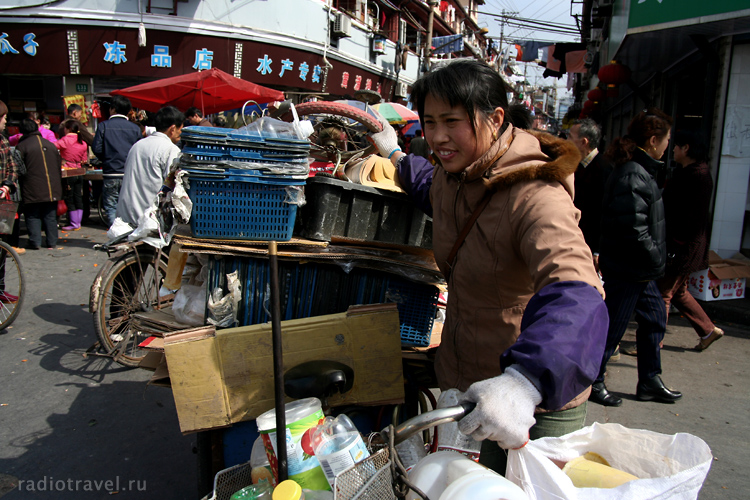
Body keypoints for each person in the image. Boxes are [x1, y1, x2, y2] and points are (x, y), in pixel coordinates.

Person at [370, 59, 608, 474]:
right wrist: (392, 151)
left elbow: (579, 293)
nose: (439, 137)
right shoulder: (455, 175)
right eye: (429, 122)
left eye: (452, 121)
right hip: (470, 381)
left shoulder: (536, 195)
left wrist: (526, 381)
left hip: (531, 398)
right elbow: (429, 186)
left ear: (495, 118)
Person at [589, 108, 682, 407]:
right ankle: (593, 381)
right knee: (614, 327)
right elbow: (634, 229)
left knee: (654, 320)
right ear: (654, 140)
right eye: (667, 139)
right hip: (630, 268)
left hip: (640, 269)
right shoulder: (632, 174)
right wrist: (657, 258)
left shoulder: (639, 171)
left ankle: (650, 380)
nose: (668, 145)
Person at [657, 131, 724, 351]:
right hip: (684, 243)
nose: (672, 149)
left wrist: (677, 242)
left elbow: (691, 217)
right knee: (678, 292)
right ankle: (707, 330)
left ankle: (653, 342)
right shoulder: (691, 172)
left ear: (686, 148)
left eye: (676, 145)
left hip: (683, 245)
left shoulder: (697, 176)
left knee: (664, 293)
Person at [116, 106, 184, 227]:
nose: (180, 135)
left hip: (126, 217)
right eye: (180, 130)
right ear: (172, 129)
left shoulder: (137, 145)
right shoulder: (170, 149)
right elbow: (175, 186)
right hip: (149, 221)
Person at [568, 118, 614, 272]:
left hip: (591, 246)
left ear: (583, 142)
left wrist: (597, 250)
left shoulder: (604, 169)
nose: (566, 141)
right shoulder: (576, 166)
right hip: (576, 239)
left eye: (570, 137)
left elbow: (604, 214)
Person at [13, 118, 63, 250]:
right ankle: (52, 242)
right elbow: (58, 166)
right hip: (52, 187)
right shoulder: (51, 145)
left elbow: (20, 169)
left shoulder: (22, 146)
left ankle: (35, 242)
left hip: (32, 186)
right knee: (50, 215)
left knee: (32, 215)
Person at [92, 96, 142, 226]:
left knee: (111, 206)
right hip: (130, 174)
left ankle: (116, 234)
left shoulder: (104, 126)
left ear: (112, 109)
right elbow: (139, 150)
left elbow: (96, 148)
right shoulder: (135, 128)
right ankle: (126, 235)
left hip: (111, 172)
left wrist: (107, 158)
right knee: (128, 207)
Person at [56, 119, 89, 231]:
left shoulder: (64, 140)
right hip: (79, 171)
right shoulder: (83, 143)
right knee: (78, 197)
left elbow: (53, 146)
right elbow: (84, 160)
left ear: (68, 129)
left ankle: (74, 223)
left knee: (70, 198)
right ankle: (78, 223)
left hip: (68, 172)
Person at [0, 100, 23, 261]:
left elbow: (12, 166)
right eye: (3, 117)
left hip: (2, 198)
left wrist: (7, 185)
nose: (5, 121)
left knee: (2, 245)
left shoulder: (3, 140)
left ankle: (1, 285)